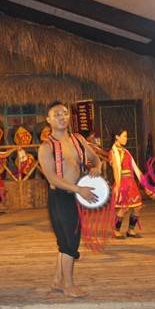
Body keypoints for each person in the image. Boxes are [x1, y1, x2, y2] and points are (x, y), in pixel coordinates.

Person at [38, 101, 101, 298]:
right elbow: (52, 178)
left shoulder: (78, 139)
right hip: (60, 197)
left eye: (64, 113)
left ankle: (58, 281)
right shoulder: (46, 147)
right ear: (48, 120)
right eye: (56, 114)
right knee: (69, 242)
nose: (62, 117)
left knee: (66, 240)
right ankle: (68, 285)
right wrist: (78, 189)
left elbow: (96, 158)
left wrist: (97, 167)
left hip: (77, 196)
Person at [110, 128, 144, 239]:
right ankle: (116, 230)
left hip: (131, 182)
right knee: (124, 208)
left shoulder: (126, 151)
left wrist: (144, 182)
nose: (126, 138)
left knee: (137, 207)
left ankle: (131, 230)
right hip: (122, 182)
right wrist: (118, 186)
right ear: (117, 137)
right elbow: (116, 169)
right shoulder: (114, 152)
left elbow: (135, 168)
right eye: (124, 136)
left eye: (126, 136)